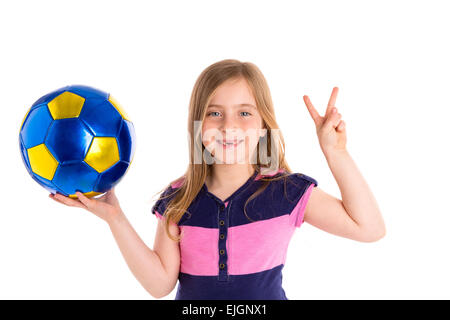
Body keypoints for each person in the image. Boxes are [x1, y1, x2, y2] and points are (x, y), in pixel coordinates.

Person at [49, 59, 386, 300]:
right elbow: (159, 285)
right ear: (197, 123)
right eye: (214, 113)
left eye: (244, 112)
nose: (229, 126)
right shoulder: (178, 199)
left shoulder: (286, 191)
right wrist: (114, 216)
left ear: (264, 124)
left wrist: (335, 152)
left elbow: (369, 228)